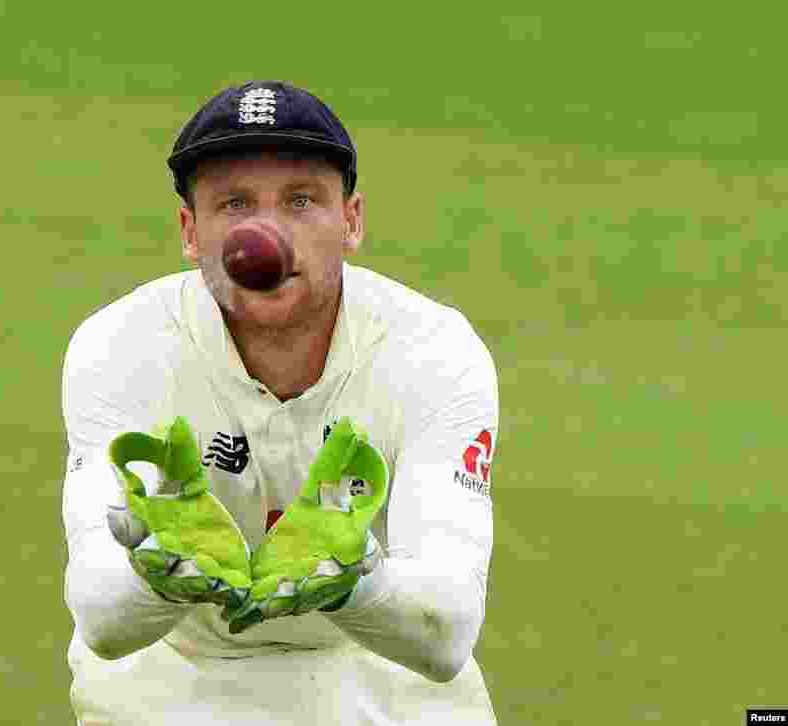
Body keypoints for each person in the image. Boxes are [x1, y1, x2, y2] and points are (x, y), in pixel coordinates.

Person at [62, 80, 500, 725]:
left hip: (379, 670)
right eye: (235, 203)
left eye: (300, 200)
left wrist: (355, 578)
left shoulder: (433, 351)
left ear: (351, 221)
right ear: (190, 231)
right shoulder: (121, 345)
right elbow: (102, 620)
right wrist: (157, 577)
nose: (265, 234)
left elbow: (445, 635)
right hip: (179, 673)